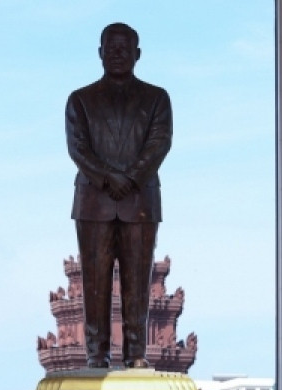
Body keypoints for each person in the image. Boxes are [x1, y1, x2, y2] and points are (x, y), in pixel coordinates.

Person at [66, 22, 172, 369]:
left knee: (138, 279)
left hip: (139, 201)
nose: (117, 54)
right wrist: (109, 177)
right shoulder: (80, 100)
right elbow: (78, 148)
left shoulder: (157, 98)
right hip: (94, 201)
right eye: (110, 48)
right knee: (94, 282)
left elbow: (159, 142)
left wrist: (131, 177)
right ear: (100, 53)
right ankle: (96, 352)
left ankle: (136, 353)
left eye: (124, 49)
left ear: (137, 55)